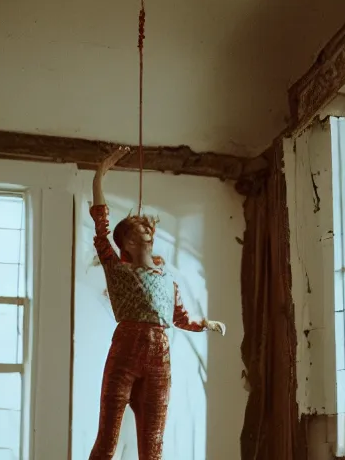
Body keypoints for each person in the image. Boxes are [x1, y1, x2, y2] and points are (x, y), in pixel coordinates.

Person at [89, 147, 226, 460]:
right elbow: (101, 229)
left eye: (142, 231)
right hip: (124, 351)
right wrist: (99, 178)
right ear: (126, 245)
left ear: (149, 235)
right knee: (107, 442)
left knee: (152, 448)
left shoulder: (168, 279)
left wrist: (205, 323)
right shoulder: (117, 269)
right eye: (131, 237)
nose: (139, 238)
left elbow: (180, 318)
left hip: (159, 358)